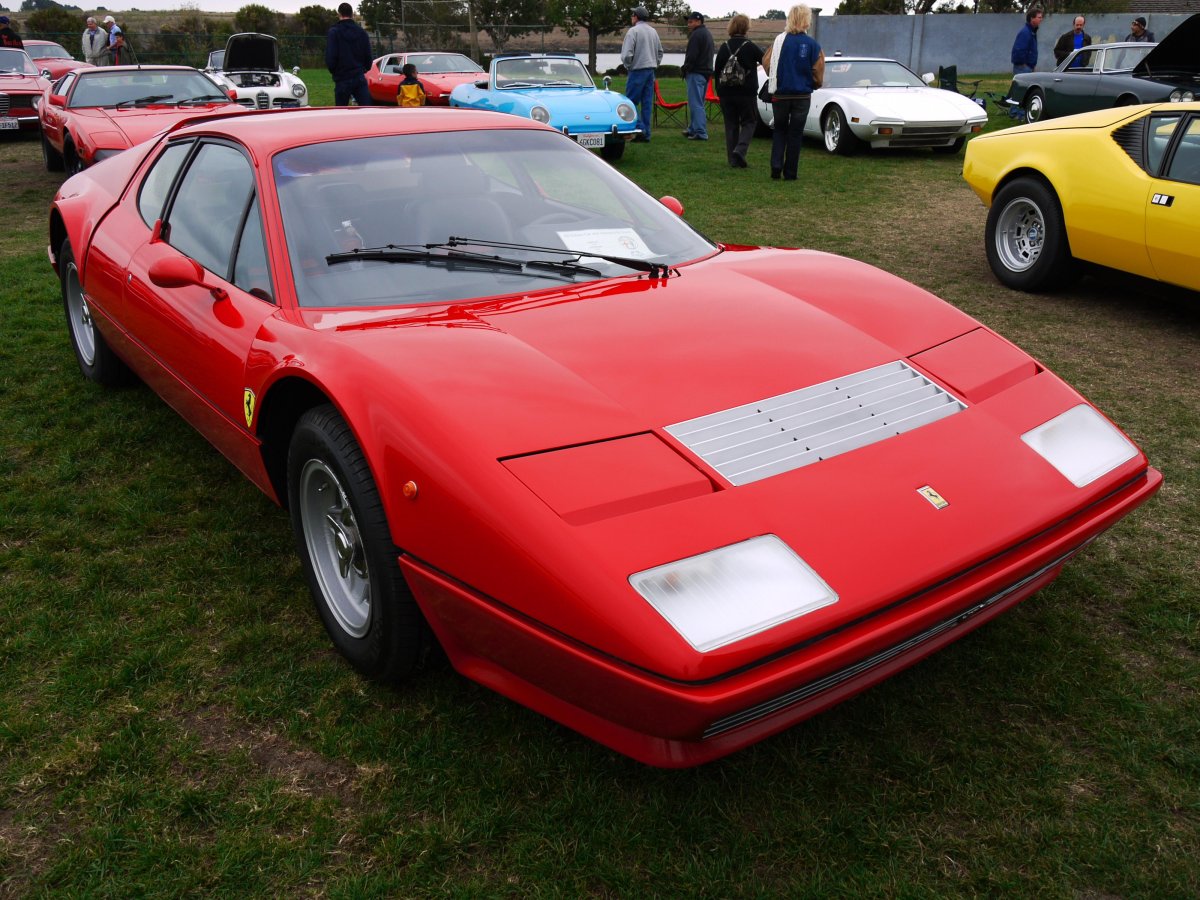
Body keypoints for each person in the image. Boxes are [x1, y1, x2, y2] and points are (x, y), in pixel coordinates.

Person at [762, 4, 823, 182]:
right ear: (806, 20)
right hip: (802, 96)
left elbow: (767, 62)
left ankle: (776, 166)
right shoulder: (813, 45)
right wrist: (812, 84)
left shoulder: (778, 42)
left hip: (780, 94)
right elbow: (818, 72)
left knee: (779, 130)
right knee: (795, 133)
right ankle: (790, 173)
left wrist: (775, 77)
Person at [713, 14, 763, 169]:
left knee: (731, 124)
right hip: (746, 93)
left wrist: (719, 90)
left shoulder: (724, 46)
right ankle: (740, 150)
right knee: (749, 122)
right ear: (746, 27)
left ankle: (732, 159)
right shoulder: (750, 46)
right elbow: (765, 61)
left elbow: (717, 70)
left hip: (726, 92)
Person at [620, 6, 663, 143]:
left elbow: (627, 54)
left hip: (637, 70)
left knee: (630, 102)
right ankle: (646, 134)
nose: (631, 17)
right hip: (651, 71)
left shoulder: (633, 31)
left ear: (636, 16)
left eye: (632, 14)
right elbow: (660, 52)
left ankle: (641, 129)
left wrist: (628, 65)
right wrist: (655, 63)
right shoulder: (653, 31)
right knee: (647, 103)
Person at [326, 2, 373, 107]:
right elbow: (368, 56)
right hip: (358, 76)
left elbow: (331, 56)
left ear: (339, 14)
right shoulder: (362, 32)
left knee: (341, 110)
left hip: (342, 77)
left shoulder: (334, 32)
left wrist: (335, 71)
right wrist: (364, 69)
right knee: (367, 108)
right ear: (352, 14)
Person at [681, 11, 714, 141]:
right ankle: (693, 129)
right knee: (699, 102)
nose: (688, 24)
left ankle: (700, 132)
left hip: (696, 72)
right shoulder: (707, 34)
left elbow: (692, 56)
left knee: (696, 104)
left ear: (698, 21)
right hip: (706, 73)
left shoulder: (696, 35)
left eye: (691, 22)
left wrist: (685, 68)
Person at [1011, 8, 1042, 74]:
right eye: (1039, 17)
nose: (1041, 19)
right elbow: (1019, 50)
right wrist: (1024, 65)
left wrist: (1032, 66)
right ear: (1032, 18)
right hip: (1022, 68)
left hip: (1028, 68)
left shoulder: (1031, 32)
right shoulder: (1025, 33)